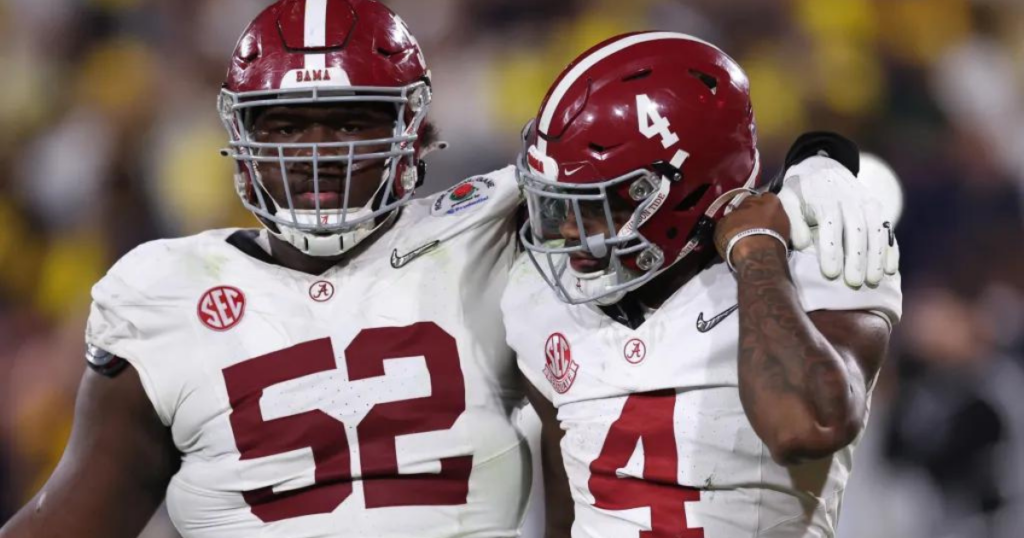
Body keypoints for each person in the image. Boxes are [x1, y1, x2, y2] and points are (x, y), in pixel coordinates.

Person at [0, 3, 893, 537]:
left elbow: (664, 175)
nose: (321, 152)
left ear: (416, 129)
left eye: (353, 118)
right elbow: (71, 521)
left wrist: (819, 167)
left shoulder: (500, 223)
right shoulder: (157, 295)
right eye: (285, 125)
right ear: (236, 135)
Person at [503, 32, 902, 537]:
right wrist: (819, 152)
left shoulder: (815, 256)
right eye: (565, 203)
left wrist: (757, 255)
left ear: (688, 193)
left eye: (605, 206)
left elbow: (808, 425)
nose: (567, 232)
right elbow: (565, 510)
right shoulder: (538, 297)